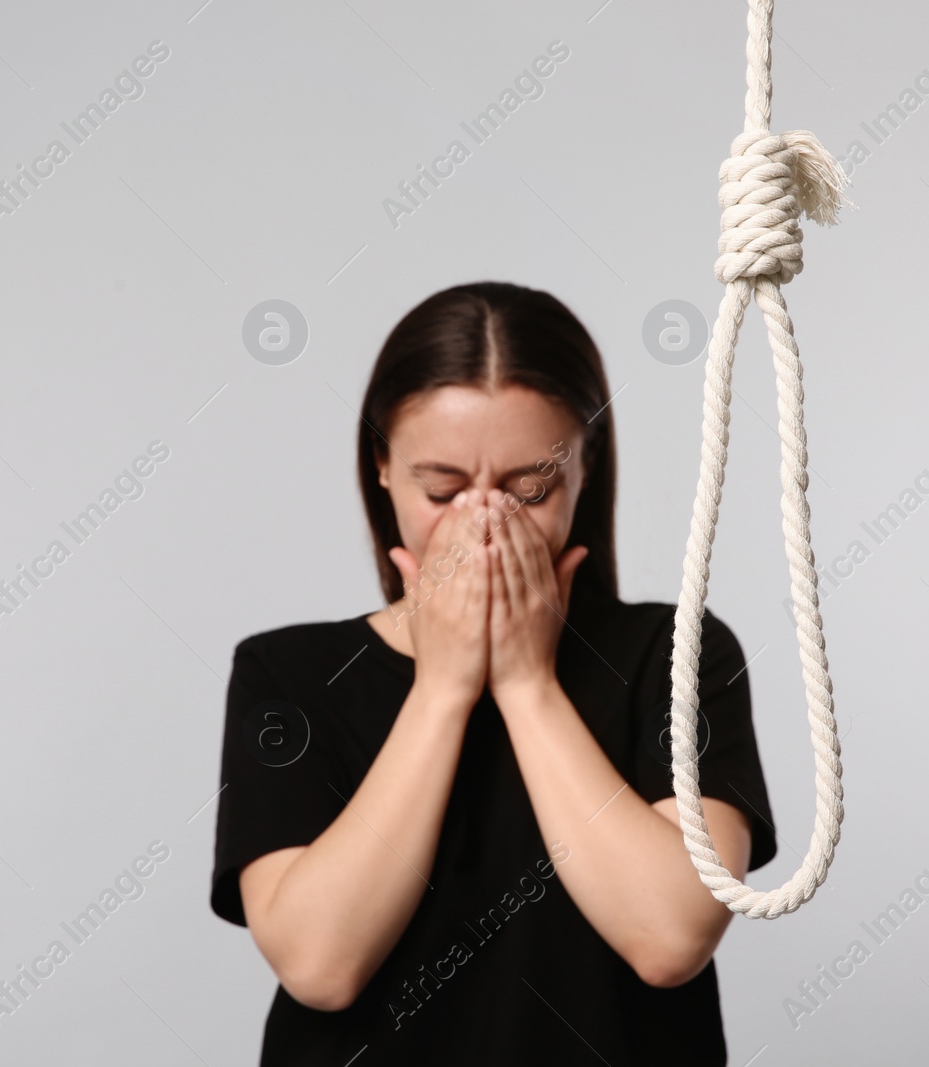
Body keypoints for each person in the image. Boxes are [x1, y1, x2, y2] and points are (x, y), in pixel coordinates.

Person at [211, 280, 778, 1065]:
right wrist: (443, 689)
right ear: (382, 467)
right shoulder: (288, 673)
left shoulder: (679, 651)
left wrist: (525, 683)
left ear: (586, 469)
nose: (484, 519)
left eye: (529, 489)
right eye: (441, 489)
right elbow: (319, 965)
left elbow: (671, 935)